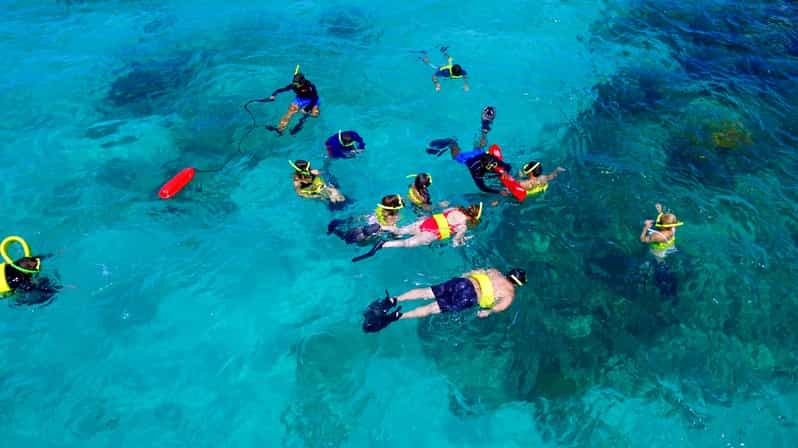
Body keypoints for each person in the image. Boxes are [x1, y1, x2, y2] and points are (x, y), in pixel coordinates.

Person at [362, 268, 527, 332]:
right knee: (431, 308)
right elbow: (500, 307)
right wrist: (487, 312)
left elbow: (471, 272)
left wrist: (461, 280)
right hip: (469, 297)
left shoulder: (495, 271)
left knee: (427, 292)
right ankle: (397, 317)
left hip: (463, 283)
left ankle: (394, 299)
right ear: (518, 284)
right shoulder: (509, 293)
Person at [352, 203, 483, 261]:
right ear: (474, 218)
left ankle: (380, 227)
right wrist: (464, 241)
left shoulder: (455, 208)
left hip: (425, 222)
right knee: (405, 243)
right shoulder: (463, 226)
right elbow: (455, 242)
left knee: (400, 231)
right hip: (431, 233)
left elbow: (441, 213)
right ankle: (383, 245)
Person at [1, 236, 61, 305]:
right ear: (26, 271)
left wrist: (52, 254)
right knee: (44, 293)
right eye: (35, 267)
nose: (37, 265)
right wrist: (60, 289)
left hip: (7, 274)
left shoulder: (18, 264)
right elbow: (33, 288)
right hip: (5, 288)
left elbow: (34, 260)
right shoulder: (20, 281)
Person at [328, 195, 404, 244]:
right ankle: (344, 226)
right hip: (373, 224)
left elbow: (393, 232)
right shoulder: (389, 214)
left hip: (373, 223)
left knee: (360, 239)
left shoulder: (387, 214)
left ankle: (343, 229)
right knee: (361, 238)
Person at [266, 65, 320, 135]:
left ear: (302, 82)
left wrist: (306, 109)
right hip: (300, 99)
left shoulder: (310, 87)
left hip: (312, 100)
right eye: (294, 83)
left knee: (315, 114)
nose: (294, 85)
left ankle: (302, 120)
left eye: (296, 84)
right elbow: (282, 89)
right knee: (290, 111)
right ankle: (280, 128)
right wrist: (273, 95)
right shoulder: (293, 86)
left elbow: (314, 98)